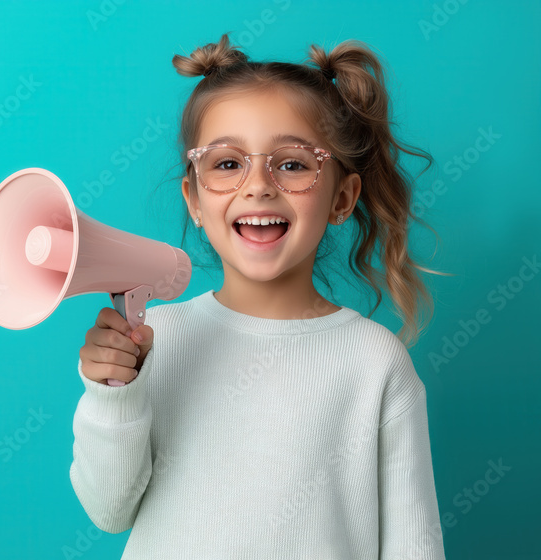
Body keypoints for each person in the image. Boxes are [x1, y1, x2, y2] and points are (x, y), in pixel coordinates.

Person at [71, 34, 447, 559]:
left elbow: (415, 545)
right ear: (195, 199)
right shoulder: (156, 341)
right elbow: (108, 512)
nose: (258, 185)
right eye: (227, 164)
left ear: (342, 198)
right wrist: (114, 393)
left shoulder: (374, 361)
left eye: (292, 163)